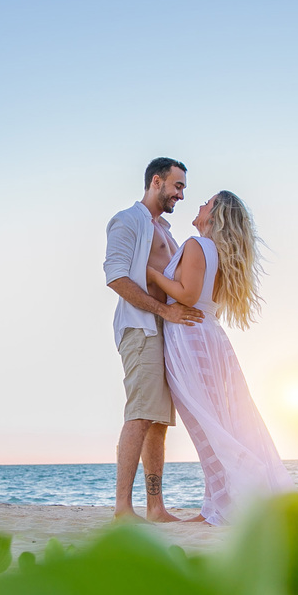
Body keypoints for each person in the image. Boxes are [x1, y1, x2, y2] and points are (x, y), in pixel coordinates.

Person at [146, 191, 295, 524]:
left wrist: (153, 276)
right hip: (208, 337)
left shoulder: (198, 246)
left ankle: (234, 499)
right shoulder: (215, 252)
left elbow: (186, 295)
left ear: (214, 215)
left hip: (189, 336)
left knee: (206, 425)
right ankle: (217, 505)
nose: (199, 204)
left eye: (207, 202)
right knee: (214, 423)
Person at [103, 158, 204, 523]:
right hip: (141, 328)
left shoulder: (166, 230)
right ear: (157, 182)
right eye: (177, 186)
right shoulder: (128, 221)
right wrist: (164, 313)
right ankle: (122, 510)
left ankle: (156, 508)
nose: (181, 194)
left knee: (158, 421)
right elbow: (116, 277)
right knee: (141, 414)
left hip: (165, 331)